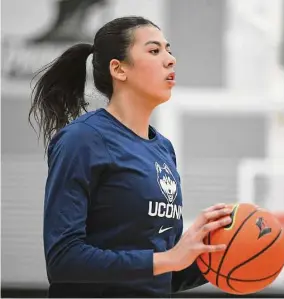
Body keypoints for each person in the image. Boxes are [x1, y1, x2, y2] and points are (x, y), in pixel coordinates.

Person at [29, 16, 233, 298]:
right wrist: (168, 259)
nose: (170, 59)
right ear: (119, 69)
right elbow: (63, 260)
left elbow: (160, 275)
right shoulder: (82, 140)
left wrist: (222, 256)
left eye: (168, 49)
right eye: (154, 50)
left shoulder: (163, 148)